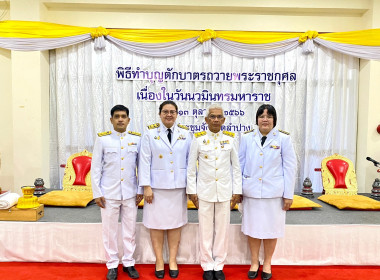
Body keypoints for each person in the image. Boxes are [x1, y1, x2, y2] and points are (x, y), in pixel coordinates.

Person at [239, 104, 297, 280]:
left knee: (272, 230)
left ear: (274, 120)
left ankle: (267, 263)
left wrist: (288, 194)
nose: (265, 119)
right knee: (253, 229)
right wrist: (238, 190)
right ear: (257, 119)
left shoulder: (283, 139)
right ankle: (254, 262)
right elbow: (240, 165)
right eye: (262, 116)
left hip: (274, 194)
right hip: (251, 192)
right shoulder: (247, 137)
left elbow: (290, 167)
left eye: (269, 116)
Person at [187, 104, 242, 280]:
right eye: (212, 116)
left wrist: (237, 191)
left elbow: (236, 169)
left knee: (222, 230)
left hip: (225, 192)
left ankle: (219, 265)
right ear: (206, 119)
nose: (216, 120)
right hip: (204, 192)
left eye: (219, 117)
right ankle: (207, 264)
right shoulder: (198, 139)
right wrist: (192, 191)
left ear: (224, 120)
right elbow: (190, 168)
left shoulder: (231, 139)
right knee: (205, 230)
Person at [139, 100, 192, 279]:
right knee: (156, 224)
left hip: (178, 187)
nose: (169, 114)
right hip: (156, 189)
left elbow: (190, 163)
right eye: (165, 111)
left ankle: (173, 260)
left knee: (175, 224)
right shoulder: (149, 134)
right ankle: (160, 260)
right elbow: (144, 161)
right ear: (160, 114)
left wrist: (191, 187)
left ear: (177, 114)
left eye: (172, 112)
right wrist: (146, 186)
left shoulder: (186, 133)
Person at [91, 105, 143, 280]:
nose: (120, 119)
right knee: (109, 231)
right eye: (117, 116)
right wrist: (97, 193)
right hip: (109, 194)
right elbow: (96, 168)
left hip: (130, 193)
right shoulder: (103, 140)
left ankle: (129, 263)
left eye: (123, 116)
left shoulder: (136, 139)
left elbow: (140, 167)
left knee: (130, 230)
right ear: (111, 120)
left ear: (128, 120)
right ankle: (112, 264)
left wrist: (140, 189)